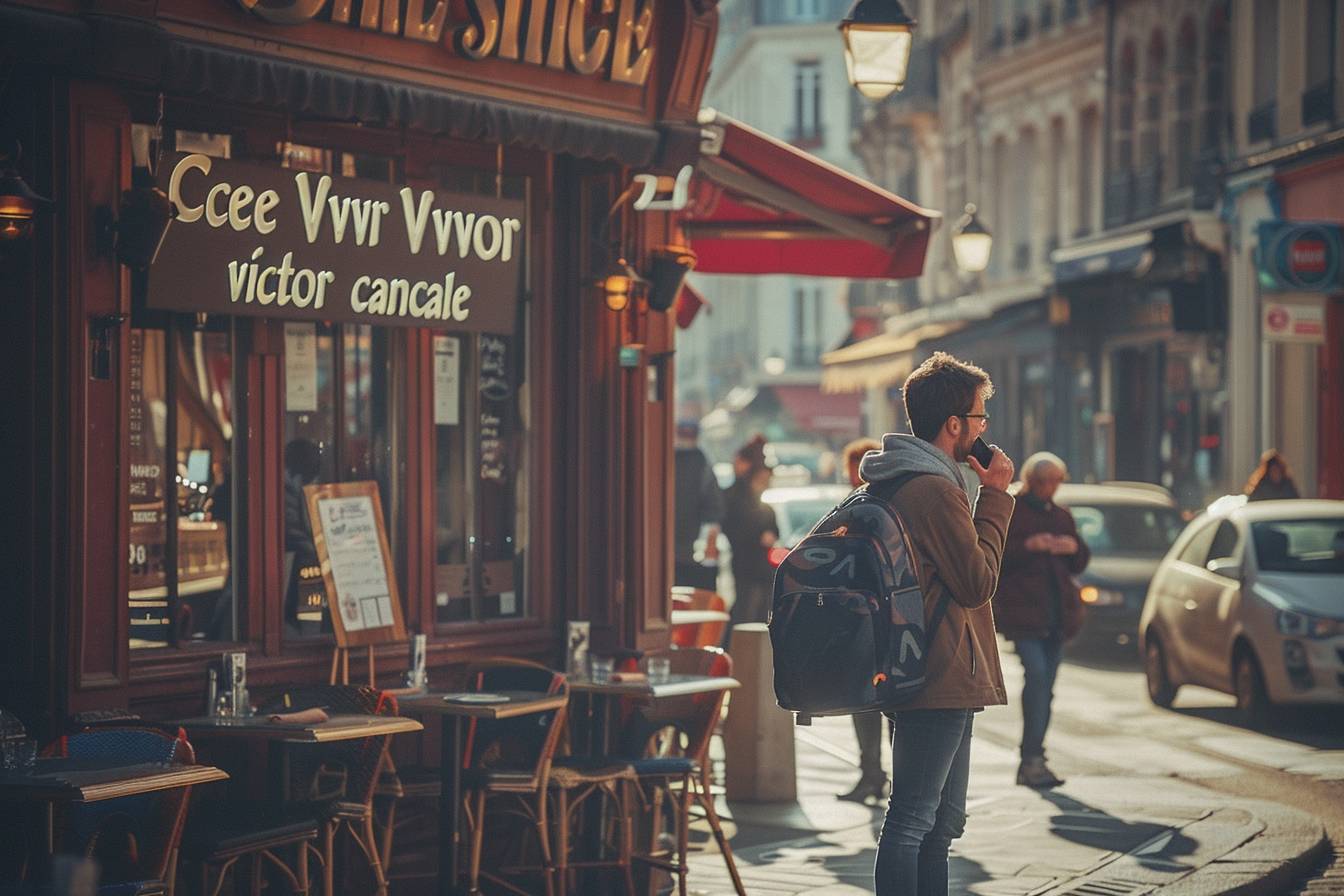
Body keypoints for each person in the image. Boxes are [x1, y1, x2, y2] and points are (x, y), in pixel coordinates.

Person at [857, 352, 1015, 896]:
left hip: (922, 666)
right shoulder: (935, 490)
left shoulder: (898, 480)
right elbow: (976, 582)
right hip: (939, 673)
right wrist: (994, 497)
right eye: (979, 417)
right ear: (954, 426)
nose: (984, 428)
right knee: (913, 822)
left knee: (938, 826)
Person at [994, 452, 1090, 789]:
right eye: (1047, 481)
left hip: (1056, 614)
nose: (1052, 488)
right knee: (1036, 677)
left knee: (1046, 686)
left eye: (1056, 482)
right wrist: (1030, 545)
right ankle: (1031, 758)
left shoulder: (1061, 515)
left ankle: (1035, 756)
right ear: (1033, 481)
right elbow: (996, 557)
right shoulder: (1014, 510)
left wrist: (1071, 547)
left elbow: (1079, 561)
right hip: (1024, 613)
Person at [837, 436, 889, 804]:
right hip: (883, 615)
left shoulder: (860, 507)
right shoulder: (885, 503)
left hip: (865, 616)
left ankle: (872, 773)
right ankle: (874, 773)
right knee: (878, 702)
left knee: (867, 701)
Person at [722, 435, 779, 634]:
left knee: (757, 613)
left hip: (760, 566)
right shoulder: (738, 497)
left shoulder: (760, 503)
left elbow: (773, 529)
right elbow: (737, 530)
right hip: (747, 563)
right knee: (746, 613)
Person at [673, 420, 725, 591]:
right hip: (686, 546)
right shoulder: (701, 462)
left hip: (680, 546)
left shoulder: (699, 463)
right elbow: (713, 506)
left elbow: (713, 507)